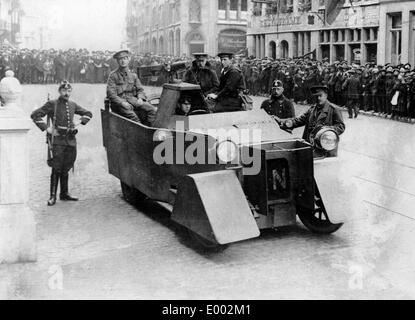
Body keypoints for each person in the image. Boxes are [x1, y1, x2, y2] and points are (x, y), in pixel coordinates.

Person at [30, 81, 93, 206]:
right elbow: (35, 115)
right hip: (57, 140)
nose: (67, 93)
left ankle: (64, 193)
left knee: (67, 166)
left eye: (69, 91)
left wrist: (79, 122)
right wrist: (47, 128)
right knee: (56, 167)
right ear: (59, 91)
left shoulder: (72, 104)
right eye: (64, 91)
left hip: (70, 140)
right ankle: (52, 196)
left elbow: (88, 114)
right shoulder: (52, 104)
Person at [277, 85, 345, 154]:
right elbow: (299, 120)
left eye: (320, 96)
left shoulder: (333, 109)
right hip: (310, 146)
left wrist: (327, 129)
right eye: (316, 96)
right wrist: (286, 122)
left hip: (325, 147)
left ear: (326, 96)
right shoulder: (312, 109)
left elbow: (341, 126)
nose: (318, 98)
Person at [106, 50, 157, 125]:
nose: (123, 61)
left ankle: (151, 130)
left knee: (152, 110)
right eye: (120, 59)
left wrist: (140, 98)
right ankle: (141, 132)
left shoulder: (133, 75)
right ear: (117, 61)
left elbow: (140, 90)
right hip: (119, 103)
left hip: (133, 100)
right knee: (134, 118)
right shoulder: (113, 75)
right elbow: (111, 94)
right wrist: (122, 102)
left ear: (128, 59)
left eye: (125, 58)